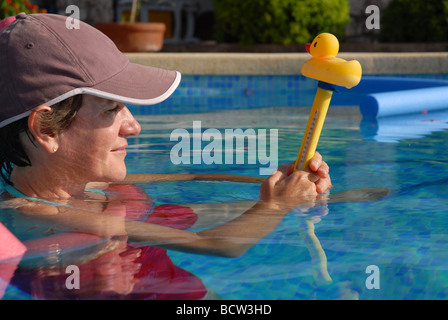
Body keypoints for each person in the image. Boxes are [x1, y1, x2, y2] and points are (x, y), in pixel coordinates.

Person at [0, 13, 332, 299]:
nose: (135, 126)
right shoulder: (38, 214)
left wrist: (289, 183)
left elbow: (191, 177)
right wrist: (276, 205)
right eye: (112, 110)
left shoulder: (88, 182)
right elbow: (216, 245)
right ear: (47, 130)